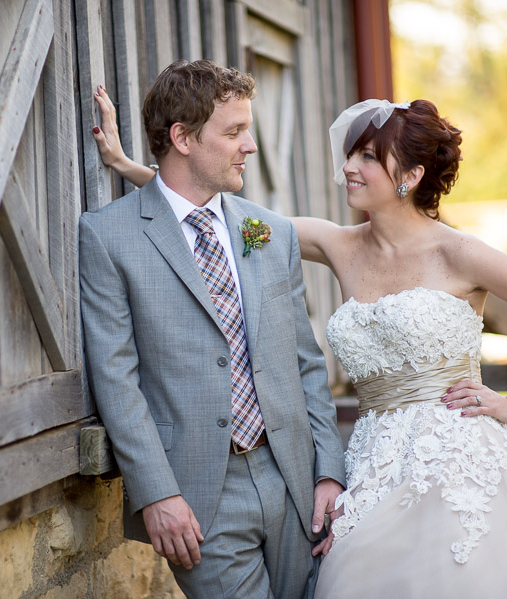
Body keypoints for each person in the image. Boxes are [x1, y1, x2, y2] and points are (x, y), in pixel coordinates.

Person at [92, 90, 507, 597]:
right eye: (351, 155)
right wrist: (129, 167)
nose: (348, 168)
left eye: (366, 158)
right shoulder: (335, 244)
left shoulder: (461, 254)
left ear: (409, 174)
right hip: (371, 459)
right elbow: (217, 216)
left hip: (455, 460)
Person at [79, 59, 346, 599]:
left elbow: (306, 361)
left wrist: (329, 473)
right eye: (234, 132)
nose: (250, 146)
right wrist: (156, 494)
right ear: (182, 137)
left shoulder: (268, 232)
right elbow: (115, 379)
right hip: (200, 498)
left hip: (294, 481)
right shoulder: (109, 237)